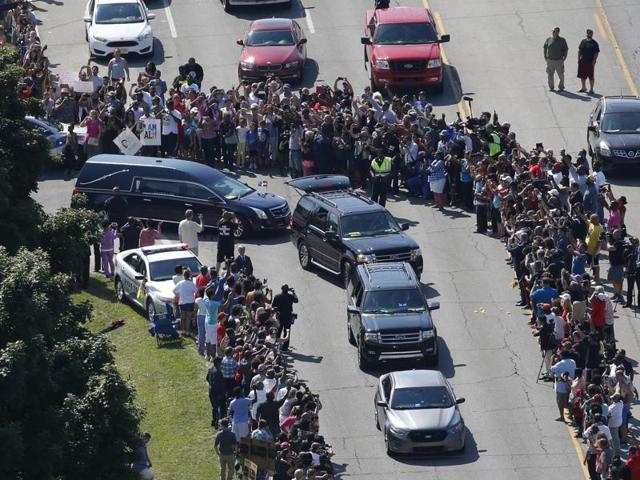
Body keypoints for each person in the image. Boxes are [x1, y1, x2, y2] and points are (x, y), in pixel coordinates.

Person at [550, 350, 576, 421]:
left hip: (561, 386)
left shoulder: (560, 364)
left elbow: (552, 369)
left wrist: (553, 360)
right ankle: (571, 415)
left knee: (560, 402)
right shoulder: (573, 361)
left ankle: (562, 416)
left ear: (562, 356)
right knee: (570, 401)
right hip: (571, 384)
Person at [272, 284, 298, 351]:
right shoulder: (290, 296)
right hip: (288, 316)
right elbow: (296, 300)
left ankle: (276, 344)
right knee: (287, 331)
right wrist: (293, 292)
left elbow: (273, 306)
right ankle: (285, 347)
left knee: (278, 331)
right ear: (287, 290)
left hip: (279, 316)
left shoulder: (277, 296)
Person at [543, 27, 569, 91]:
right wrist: (545, 57)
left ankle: (561, 87)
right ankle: (551, 87)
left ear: (558, 32)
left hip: (559, 61)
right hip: (550, 60)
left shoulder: (562, 40)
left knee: (561, 75)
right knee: (550, 75)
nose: (553, 32)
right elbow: (545, 47)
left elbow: (566, 49)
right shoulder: (549, 39)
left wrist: (564, 58)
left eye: (555, 31)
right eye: (553, 31)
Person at [173, 269, 197, 335]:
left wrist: (179, 295)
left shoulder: (180, 283)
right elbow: (196, 291)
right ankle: (187, 331)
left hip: (182, 302)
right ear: (189, 275)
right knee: (188, 318)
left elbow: (174, 290)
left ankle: (183, 330)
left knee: (182, 317)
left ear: (183, 275)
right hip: (190, 302)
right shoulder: (191, 283)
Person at [577, 29, 600, 94]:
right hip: (582, 61)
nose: (589, 34)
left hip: (590, 62)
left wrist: (594, 60)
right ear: (586, 34)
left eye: (590, 33)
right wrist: (578, 59)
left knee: (591, 76)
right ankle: (583, 87)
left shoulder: (594, 43)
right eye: (588, 33)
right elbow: (579, 50)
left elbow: (596, 52)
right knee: (582, 76)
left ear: (592, 34)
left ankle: (591, 89)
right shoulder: (583, 41)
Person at [207, 357, 227, 428]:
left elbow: (207, 378)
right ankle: (217, 423)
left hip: (211, 391)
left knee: (214, 407)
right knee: (220, 408)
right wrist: (222, 393)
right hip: (218, 393)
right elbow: (221, 384)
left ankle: (214, 420)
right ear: (218, 363)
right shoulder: (219, 372)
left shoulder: (210, 370)